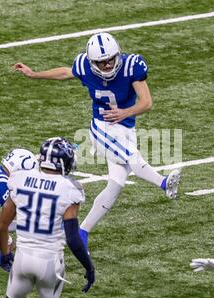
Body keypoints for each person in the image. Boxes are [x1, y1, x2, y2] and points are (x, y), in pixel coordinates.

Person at [13, 32, 181, 251]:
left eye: (110, 59)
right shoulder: (84, 66)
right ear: (92, 62)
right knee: (132, 157)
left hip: (124, 126)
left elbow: (147, 102)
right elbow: (66, 73)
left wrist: (125, 113)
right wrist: (34, 74)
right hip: (102, 127)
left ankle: (82, 232)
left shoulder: (131, 65)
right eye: (102, 62)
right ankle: (164, 182)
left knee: (116, 184)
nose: (108, 64)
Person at [0, 137, 94, 298]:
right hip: (50, 262)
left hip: (22, 259)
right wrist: (89, 268)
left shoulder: (19, 179)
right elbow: (73, 238)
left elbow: (1, 227)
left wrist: (5, 255)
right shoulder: (70, 188)